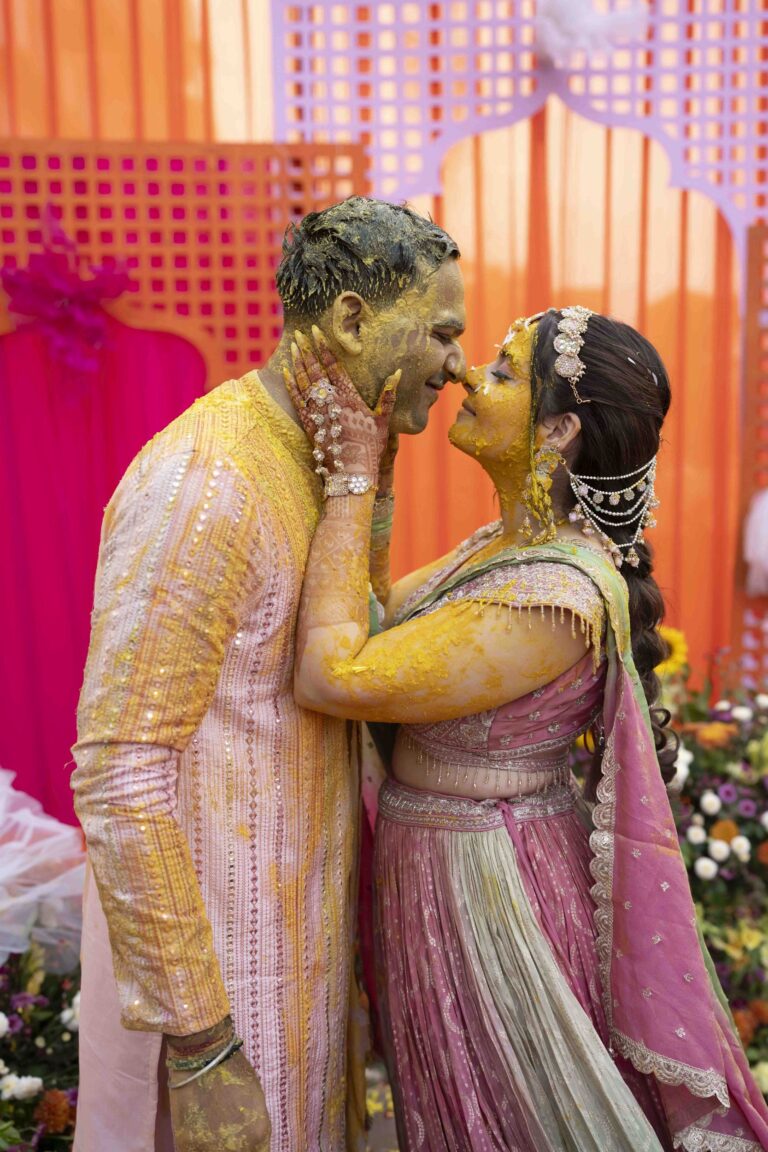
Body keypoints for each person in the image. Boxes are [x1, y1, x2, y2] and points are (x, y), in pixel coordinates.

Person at [287, 311, 768, 1151]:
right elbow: (370, 618)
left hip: (490, 884)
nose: (470, 377)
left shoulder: (554, 598)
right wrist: (382, 470)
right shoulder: (501, 547)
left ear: (557, 431)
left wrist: (352, 477)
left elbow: (335, 676)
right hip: (438, 862)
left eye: (505, 374)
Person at [70, 197, 466, 1152]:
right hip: (220, 985)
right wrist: (201, 1047)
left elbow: (354, 644)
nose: (457, 362)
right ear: (353, 320)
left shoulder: (322, 454)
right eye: (443, 330)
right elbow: (120, 770)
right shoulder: (207, 479)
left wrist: (372, 484)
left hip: (300, 951)